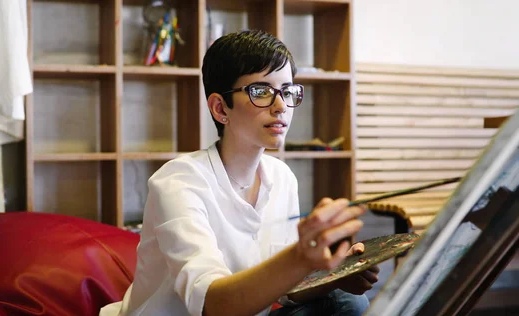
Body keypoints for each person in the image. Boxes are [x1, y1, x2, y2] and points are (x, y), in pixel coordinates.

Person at [100, 29, 379, 316]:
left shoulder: (281, 177)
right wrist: (300, 258)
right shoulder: (178, 182)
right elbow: (213, 305)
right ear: (220, 108)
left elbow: (284, 292)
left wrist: (333, 272)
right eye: (261, 92)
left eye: (287, 91)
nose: (281, 106)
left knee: (346, 299)